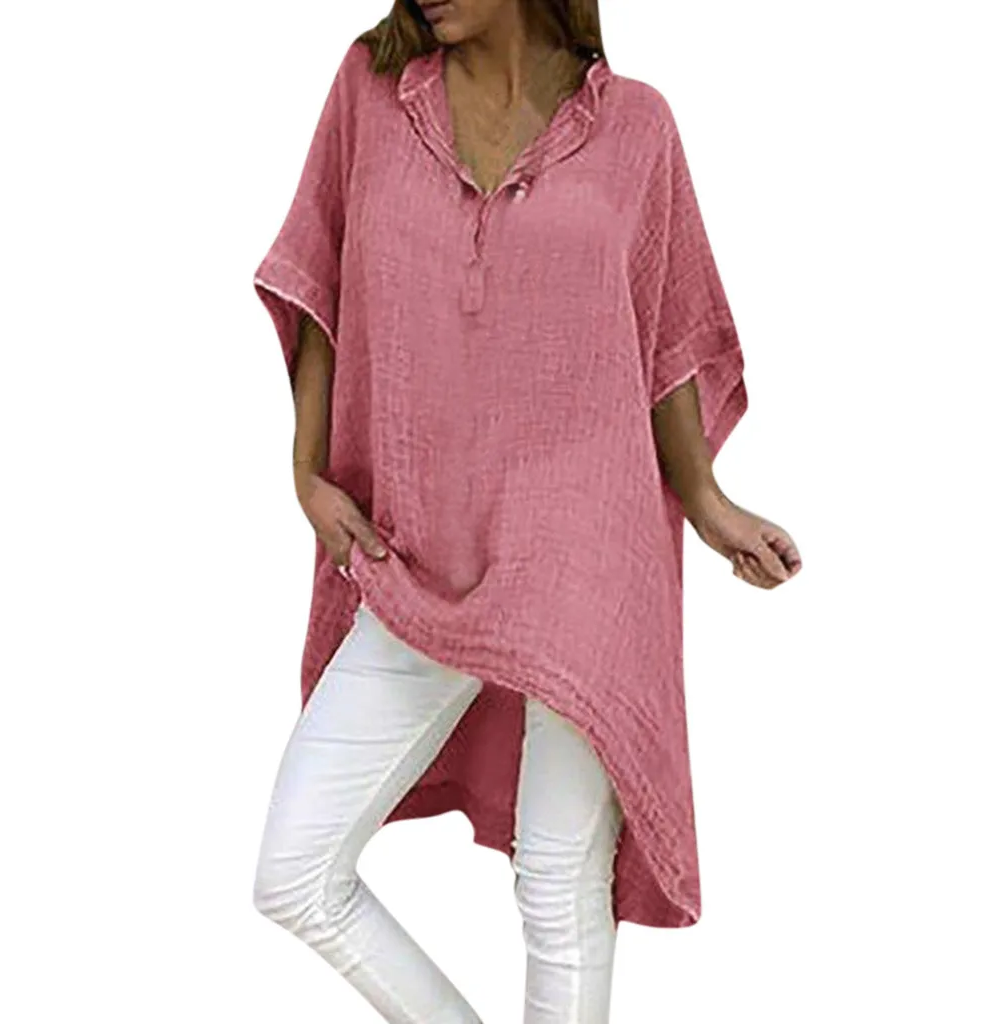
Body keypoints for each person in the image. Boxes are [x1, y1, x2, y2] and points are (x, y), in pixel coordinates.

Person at [250, 2, 802, 1022]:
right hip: (417, 545)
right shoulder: (371, 90)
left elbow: (663, 331)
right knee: (295, 869)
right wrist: (305, 469)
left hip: (583, 546)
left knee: (557, 881)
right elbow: (321, 273)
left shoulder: (636, 126)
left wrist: (706, 499)